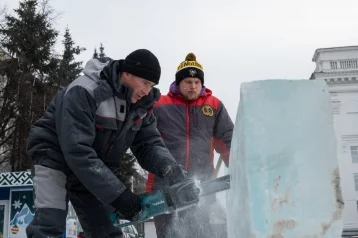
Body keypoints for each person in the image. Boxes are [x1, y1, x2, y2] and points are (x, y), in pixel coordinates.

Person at [26, 49, 194, 238]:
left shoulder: (141, 106)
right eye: (145, 83)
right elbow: (77, 150)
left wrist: (169, 167)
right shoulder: (85, 91)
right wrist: (119, 195)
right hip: (54, 157)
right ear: (127, 73)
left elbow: (149, 143)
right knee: (49, 226)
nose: (147, 91)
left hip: (91, 168)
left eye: (152, 85)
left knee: (106, 231)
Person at [146, 52, 234, 238]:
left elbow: (227, 142)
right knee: (168, 234)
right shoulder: (159, 104)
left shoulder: (214, 106)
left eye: (197, 82)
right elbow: (145, 140)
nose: (193, 86)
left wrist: (237, 167)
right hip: (164, 186)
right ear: (178, 83)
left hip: (202, 186)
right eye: (188, 81)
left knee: (199, 233)